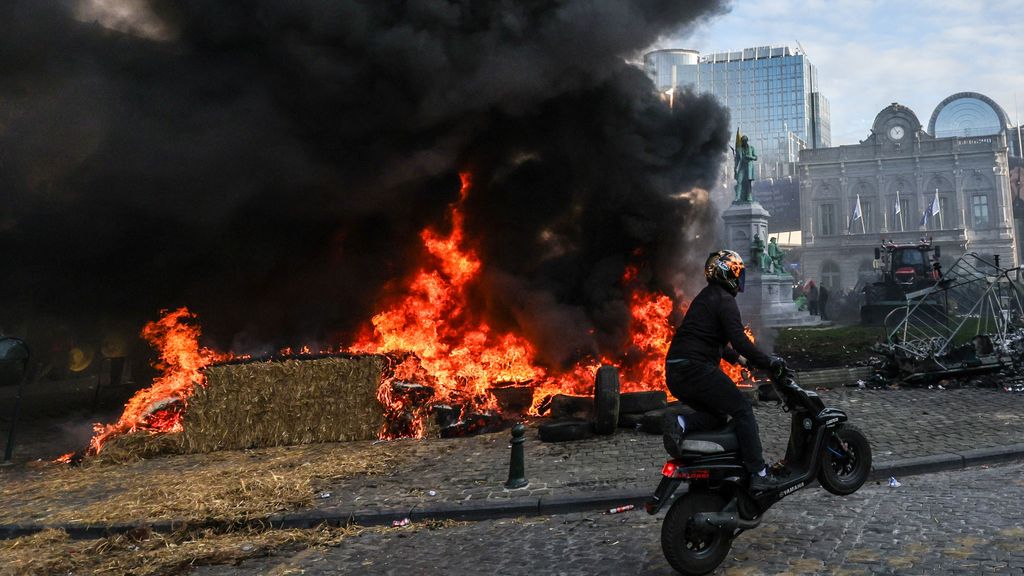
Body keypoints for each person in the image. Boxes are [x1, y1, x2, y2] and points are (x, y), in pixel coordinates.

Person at [663, 250, 787, 492]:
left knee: (718, 415)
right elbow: (738, 339)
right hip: (695, 369)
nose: (740, 279)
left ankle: (681, 423)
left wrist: (740, 360)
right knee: (742, 409)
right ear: (727, 274)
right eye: (737, 273)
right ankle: (758, 472)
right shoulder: (724, 300)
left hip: (677, 371)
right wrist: (768, 362)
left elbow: (712, 340)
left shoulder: (706, 297)